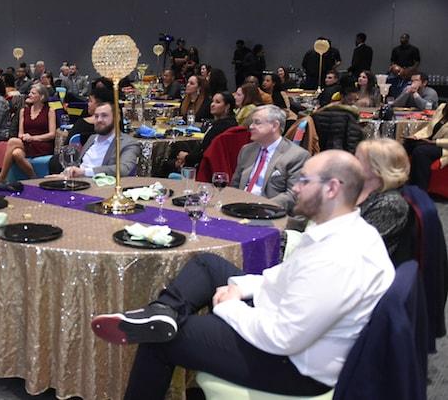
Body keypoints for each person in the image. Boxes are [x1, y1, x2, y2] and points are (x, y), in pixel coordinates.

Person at [91, 150, 394, 400]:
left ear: (332, 188)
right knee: (208, 263)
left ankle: (163, 325)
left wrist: (229, 305)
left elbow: (282, 337)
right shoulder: (340, 231)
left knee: (162, 341)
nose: (296, 188)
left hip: (296, 367)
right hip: (290, 329)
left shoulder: (339, 257)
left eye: (304, 180)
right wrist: (240, 287)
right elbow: (285, 281)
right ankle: (163, 312)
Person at [231, 105, 309, 212]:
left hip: (270, 212)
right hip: (240, 208)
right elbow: (235, 185)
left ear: (274, 125)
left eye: (257, 122)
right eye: (252, 122)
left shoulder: (296, 155)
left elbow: (293, 195)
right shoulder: (247, 150)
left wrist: (261, 206)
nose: (251, 127)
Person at [355, 139, 411, 264]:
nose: (352, 163)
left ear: (377, 168)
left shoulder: (391, 204)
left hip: (364, 269)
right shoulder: (359, 189)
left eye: (358, 159)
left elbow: (357, 246)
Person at [0, 84, 56, 187]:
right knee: (16, 153)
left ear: (42, 97)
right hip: (26, 142)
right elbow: (20, 133)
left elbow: (52, 134)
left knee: (12, 141)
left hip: (42, 143)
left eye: (33, 93)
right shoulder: (23, 111)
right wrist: (24, 137)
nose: (29, 95)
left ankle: (0, 178)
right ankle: (34, 178)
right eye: (29, 92)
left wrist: (33, 138)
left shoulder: (50, 111)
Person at [57, 101, 140, 178]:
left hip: (101, 187)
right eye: (96, 116)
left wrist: (84, 172)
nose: (99, 120)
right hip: (76, 181)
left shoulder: (128, 143)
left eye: (104, 115)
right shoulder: (92, 138)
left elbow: (123, 169)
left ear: (116, 118)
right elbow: (80, 164)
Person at [180, 91, 238, 168]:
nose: (212, 105)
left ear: (227, 107)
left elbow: (205, 153)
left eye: (217, 102)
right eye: (212, 101)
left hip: (205, 168)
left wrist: (186, 157)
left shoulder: (219, 128)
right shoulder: (233, 123)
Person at [405, 102, 448, 189]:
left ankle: (420, 189)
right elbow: (429, 128)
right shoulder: (442, 107)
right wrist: (416, 136)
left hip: (444, 147)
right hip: (431, 141)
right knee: (408, 143)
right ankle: (401, 183)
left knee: (421, 151)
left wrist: (435, 142)